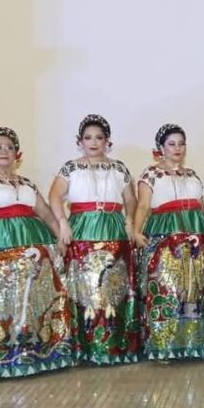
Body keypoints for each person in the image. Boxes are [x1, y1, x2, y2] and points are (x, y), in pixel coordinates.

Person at [0, 127, 76, 379]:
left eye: (9, 147)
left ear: (17, 154)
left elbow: (45, 213)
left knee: (31, 299)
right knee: (3, 298)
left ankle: (35, 353)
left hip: (32, 245)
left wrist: (59, 236)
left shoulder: (26, 184)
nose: (4, 151)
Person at [48, 115, 141, 365]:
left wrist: (129, 220)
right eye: (88, 138)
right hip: (82, 228)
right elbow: (54, 196)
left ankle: (116, 345)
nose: (93, 142)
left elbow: (131, 199)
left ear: (107, 142)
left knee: (114, 285)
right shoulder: (71, 168)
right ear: (79, 142)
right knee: (84, 287)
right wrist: (63, 222)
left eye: (99, 138)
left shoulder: (118, 168)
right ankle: (84, 347)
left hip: (113, 228)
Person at [134, 124, 204, 361]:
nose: (177, 148)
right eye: (171, 144)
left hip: (195, 236)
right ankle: (163, 344)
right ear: (161, 148)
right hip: (165, 236)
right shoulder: (150, 175)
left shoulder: (192, 175)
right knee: (167, 288)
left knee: (195, 288)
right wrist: (137, 231)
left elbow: (202, 207)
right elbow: (143, 205)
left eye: (181, 143)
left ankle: (196, 342)